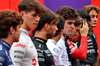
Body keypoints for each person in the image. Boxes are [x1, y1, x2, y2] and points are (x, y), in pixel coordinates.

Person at [10, 0, 45, 66]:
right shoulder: (20, 39)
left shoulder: (25, 36)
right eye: (34, 15)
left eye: (39, 16)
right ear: (22, 15)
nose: (37, 19)